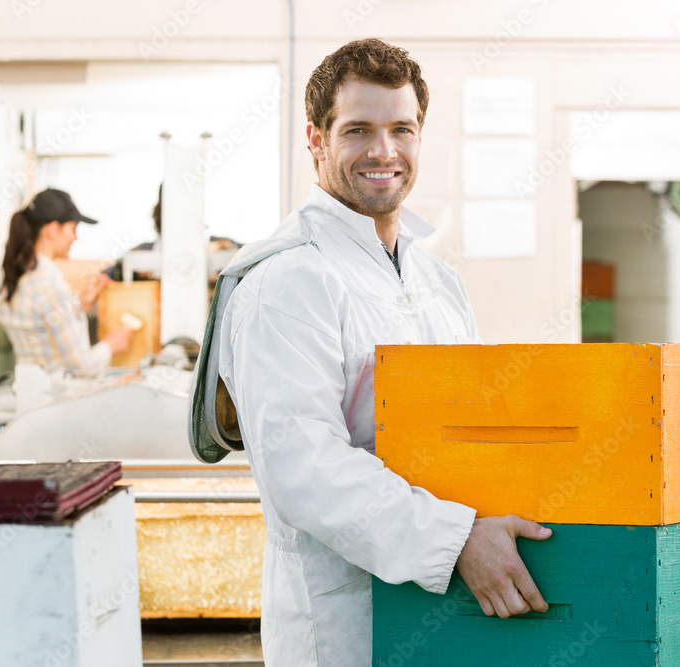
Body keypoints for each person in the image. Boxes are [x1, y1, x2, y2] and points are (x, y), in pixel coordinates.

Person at [214, 39, 552, 664]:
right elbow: (303, 468)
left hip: (450, 614)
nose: (383, 151)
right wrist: (455, 541)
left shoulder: (436, 280)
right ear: (315, 139)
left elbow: (469, 431)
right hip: (344, 623)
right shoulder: (288, 281)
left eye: (402, 128)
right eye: (358, 130)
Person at [0, 188, 134, 378]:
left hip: (34, 392)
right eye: (73, 229)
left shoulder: (23, 276)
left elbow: (45, 328)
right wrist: (110, 345)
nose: (75, 238)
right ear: (53, 229)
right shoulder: (48, 285)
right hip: (58, 398)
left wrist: (80, 305)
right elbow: (84, 368)